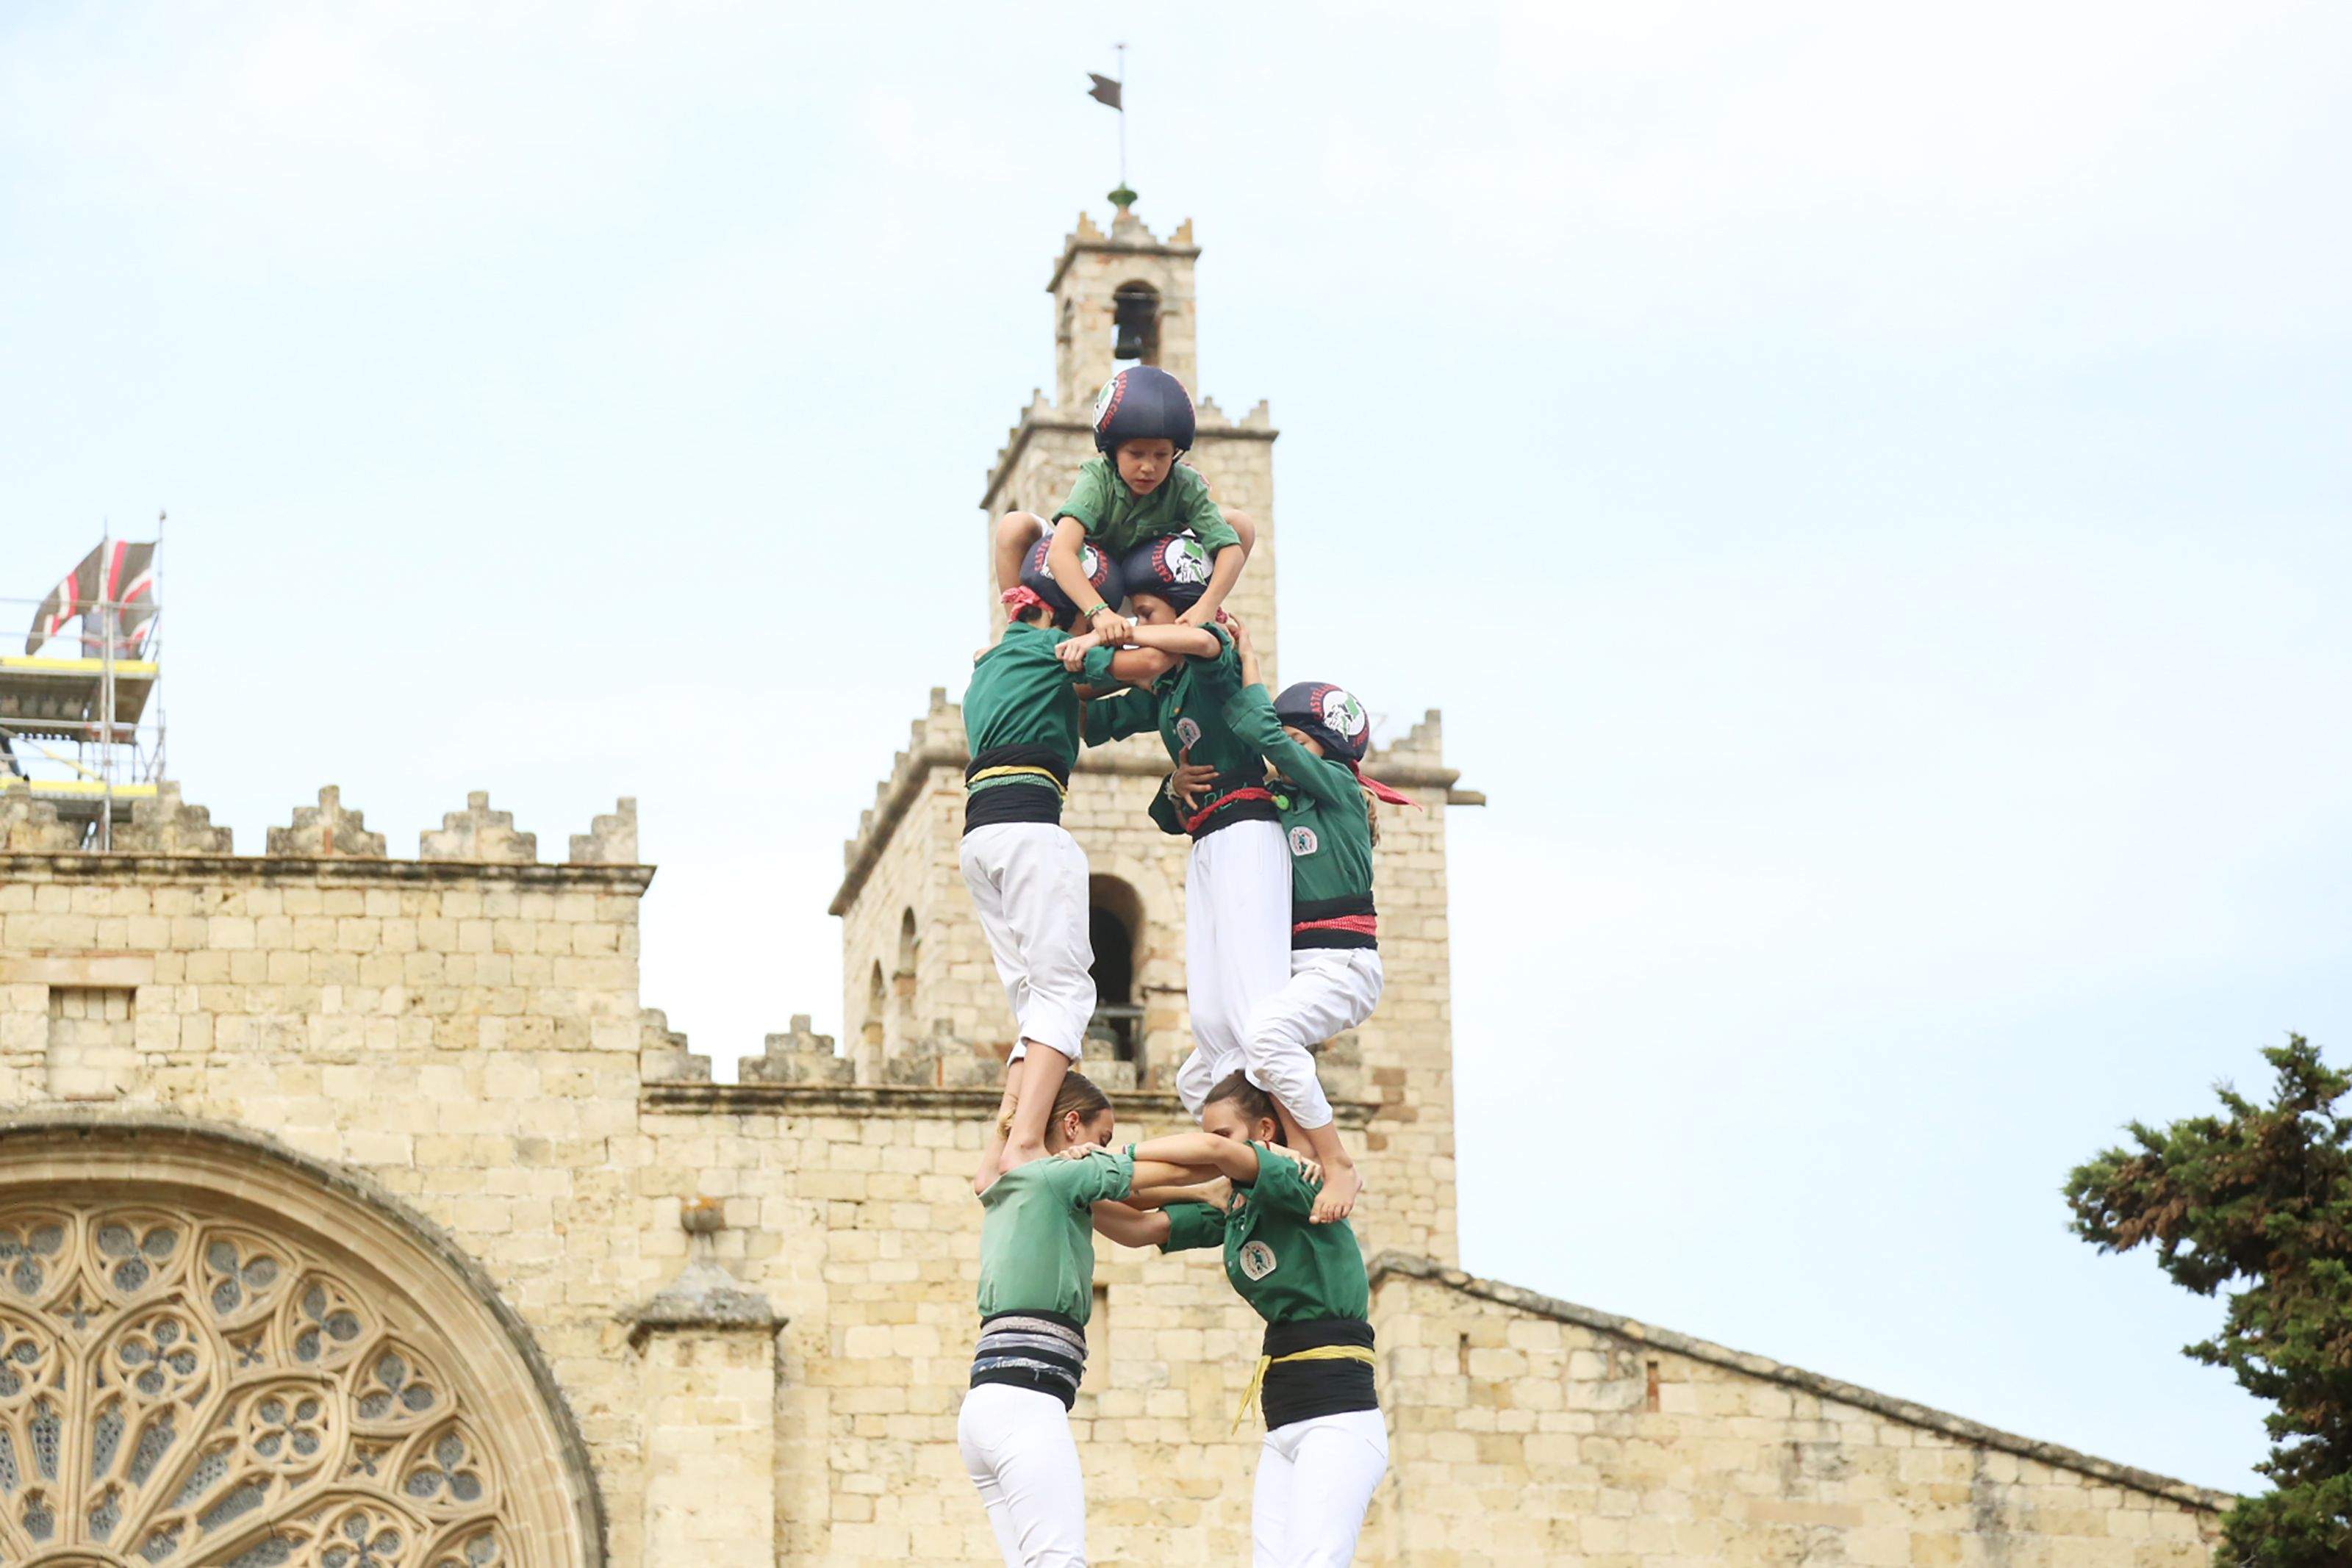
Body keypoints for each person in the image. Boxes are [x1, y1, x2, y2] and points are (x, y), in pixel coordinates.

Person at [1094, 1071, 1385, 1567]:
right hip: (1284, 1420)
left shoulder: (1298, 1178)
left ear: (1266, 1132)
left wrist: (1119, 1158)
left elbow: (1221, 1157)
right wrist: (1070, 1192)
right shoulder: (1239, 1207)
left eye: (1222, 1134)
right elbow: (1138, 1225)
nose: (1212, 1146)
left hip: (1336, 1418)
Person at [962, 1070, 1236, 1567]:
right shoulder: (1058, 1176)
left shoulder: (1010, 1186)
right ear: (1071, 1125)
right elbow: (1167, 1172)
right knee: (1060, 1560)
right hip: (1027, 1400)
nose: (1105, 1149)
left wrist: (1212, 1201)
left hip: (986, 1406)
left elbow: (1137, 1225)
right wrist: (1248, 1163)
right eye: (1101, 1137)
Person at [1056, 559, 1291, 1136]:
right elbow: (1086, 718)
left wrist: (1114, 631)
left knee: (1252, 1007)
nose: (1136, 621)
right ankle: (1236, 1141)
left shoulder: (1212, 656)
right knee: (1210, 1019)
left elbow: (1197, 640)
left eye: (1146, 612)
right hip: (1208, 841)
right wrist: (1058, 659)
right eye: (1134, 612)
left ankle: (1294, 1141)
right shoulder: (1164, 687)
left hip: (1247, 831)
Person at [1208, 621, 1410, 1223]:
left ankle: (1337, 1159)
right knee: (1233, 1051)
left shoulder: (1342, 792)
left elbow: (1258, 730)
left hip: (1341, 964)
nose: (1285, 750)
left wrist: (1247, 665)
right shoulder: (1283, 803)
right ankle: (1284, 1153)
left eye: (1299, 739)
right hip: (1300, 963)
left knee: (1268, 1035)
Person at [964, 536, 1126, 1173]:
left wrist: (1062, 543)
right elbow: (1144, 669)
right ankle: (1028, 1141)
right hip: (1032, 831)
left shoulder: (996, 659)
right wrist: (1115, 629)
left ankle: (997, 1151)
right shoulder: (1054, 651)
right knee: (1065, 995)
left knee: (1036, 1006)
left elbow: (1010, 526)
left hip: (981, 841)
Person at [989, 364, 1255, 650]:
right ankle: (1015, 639)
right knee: (1012, 526)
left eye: (1161, 455)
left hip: (1152, 581)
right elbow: (1060, 552)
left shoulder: (1185, 484)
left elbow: (1231, 549)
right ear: (1113, 451)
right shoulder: (1096, 478)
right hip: (1091, 578)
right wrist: (1098, 612)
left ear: (1175, 454)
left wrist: (1207, 605)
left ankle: (1198, 617)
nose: (1148, 467)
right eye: (1136, 454)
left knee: (1239, 524)